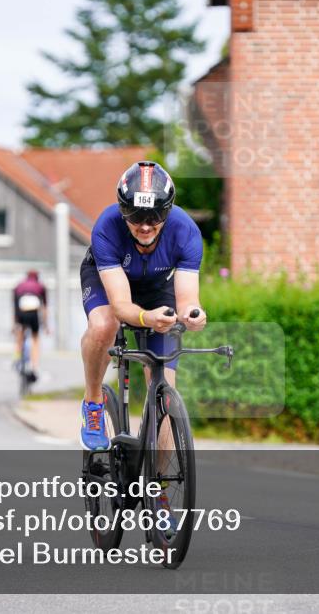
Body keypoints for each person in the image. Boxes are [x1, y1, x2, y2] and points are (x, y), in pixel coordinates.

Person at [79, 161, 207, 450]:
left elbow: (188, 301)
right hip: (109, 281)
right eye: (136, 216)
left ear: (168, 210)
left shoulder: (185, 231)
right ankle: (93, 403)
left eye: (156, 216)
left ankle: (158, 489)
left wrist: (192, 316)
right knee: (104, 325)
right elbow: (121, 305)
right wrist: (146, 318)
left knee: (166, 392)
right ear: (123, 210)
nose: (146, 225)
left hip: (157, 287)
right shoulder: (106, 228)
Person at [13, 269, 47, 382]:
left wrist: (14, 325)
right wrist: (46, 326)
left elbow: (14, 307)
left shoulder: (19, 286)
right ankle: (34, 366)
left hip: (21, 312)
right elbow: (44, 308)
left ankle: (17, 358)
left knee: (20, 334)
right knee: (35, 338)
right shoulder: (40, 286)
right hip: (33, 314)